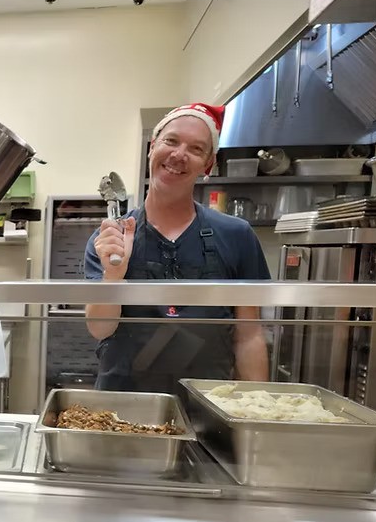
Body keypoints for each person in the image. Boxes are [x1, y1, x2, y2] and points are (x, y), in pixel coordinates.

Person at [84, 103, 270, 393]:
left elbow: (249, 335)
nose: (179, 155)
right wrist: (113, 274)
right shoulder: (111, 238)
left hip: (207, 407)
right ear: (152, 148)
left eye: (196, 149)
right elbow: (99, 328)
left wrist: (256, 411)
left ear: (207, 166)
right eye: (171, 141)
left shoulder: (237, 236)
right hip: (122, 410)